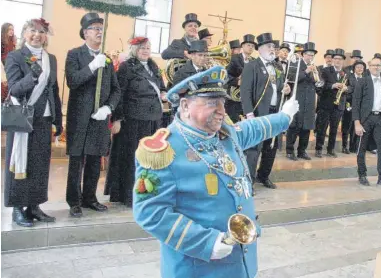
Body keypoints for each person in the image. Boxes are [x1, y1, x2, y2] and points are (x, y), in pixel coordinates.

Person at [133, 65, 299, 278]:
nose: (222, 111)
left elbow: (250, 129)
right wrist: (205, 242)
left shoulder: (223, 134)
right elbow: (150, 212)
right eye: (212, 103)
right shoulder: (163, 151)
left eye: (222, 102)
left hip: (240, 262)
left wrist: (284, 117)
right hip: (199, 265)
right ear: (185, 106)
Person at [4, 18, 63, 226]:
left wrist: (58, 120)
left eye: (41, 31)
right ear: (24, 33)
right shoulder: (15, 56)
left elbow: (54, 90)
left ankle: (35, 206)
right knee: (20, 163)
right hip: (23, 118)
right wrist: (33, 76)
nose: (37, 35)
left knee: (40, 165)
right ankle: (18, 209)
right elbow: (14, 89)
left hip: (44, 118)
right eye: (32, 30)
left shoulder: (51, 59)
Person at [65, 12, 121, 218]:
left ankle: (89, 197)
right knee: (77, 160)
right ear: (85, 32)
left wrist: (109, 108)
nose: (99, 32)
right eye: (95, 28)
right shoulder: (74, 54)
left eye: (101, 28)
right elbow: (73, 80)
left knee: (95, 160)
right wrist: (91, 66)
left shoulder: (106, 59)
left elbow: (116, 89)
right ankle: (74, 200)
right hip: (79, 118)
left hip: (100, 117)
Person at [105, 37, 166, 207]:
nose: (146, 51)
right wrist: (117, 118)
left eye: (148, 48)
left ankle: (148, 192)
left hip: (153, 120)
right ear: (134, 50)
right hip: (133, 121)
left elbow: (161, 86)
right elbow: (119, 94)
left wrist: (163, 93)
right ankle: (129, 195)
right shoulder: (126, 67)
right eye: (142, 48)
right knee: (133, 158)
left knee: (150, 159)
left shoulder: (153, 66)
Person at [241, 33, 291, 189]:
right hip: (258, 113)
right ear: (260, 49)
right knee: (254, 148)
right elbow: (245, 91)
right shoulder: (251, 66)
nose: (272, 50)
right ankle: (248, 181)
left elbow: (280, 87)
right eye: (269, 47)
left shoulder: (277, 66)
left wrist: (286, 89)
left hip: (275, 112)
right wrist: (249, 113)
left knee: (271, 146)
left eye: (273, 47)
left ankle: (264, 176)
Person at [353, 56, 381, 188]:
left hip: (380, 119)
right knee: (361, 149)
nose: (376, 67)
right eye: (373, 65)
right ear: (369, 66)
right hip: (365, 119)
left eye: (378, 65)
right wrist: (357, 123)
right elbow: (355, 103)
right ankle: (362, 175)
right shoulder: (362, 81)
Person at [286, 42, 317, 160]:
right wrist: (306, 71)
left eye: (312, 55)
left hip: (309, 102)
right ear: (303, 55)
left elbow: (318, 84)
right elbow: (292, 79)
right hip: (297, 100)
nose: (310, 57)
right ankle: (289, 150)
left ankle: (302, 151)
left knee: (306, 128)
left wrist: (318, 80)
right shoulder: (295, 64)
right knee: (294, 127)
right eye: (308, 55)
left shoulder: (315, 67)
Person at [314, 48, 347, 158]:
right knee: (322, 128)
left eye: (340, 59)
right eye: (336, 58)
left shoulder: (346, 73)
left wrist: (346, 88)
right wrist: (332, 85)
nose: (338, 61)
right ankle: (318, 148)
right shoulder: (325, 71)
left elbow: (352, 87)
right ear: (332, 60)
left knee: (334, 128)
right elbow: (321, 84)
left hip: (339, 105)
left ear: (343, 61)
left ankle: (330, 149)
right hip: (326, 104)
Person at [225, 34, 257, 123]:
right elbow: (226, 75)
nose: (251, 48)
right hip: (234, 99)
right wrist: (237, 81)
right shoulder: (234, 58)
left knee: (245, 124)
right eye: (248, 45)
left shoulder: (254, 61)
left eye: (253, 46)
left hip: (247, 98)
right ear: (242, 46)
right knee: (233, 123)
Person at [342, 59, 366, 153]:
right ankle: (344, 146)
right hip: (349, 104)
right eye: (358, 67)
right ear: (354, 68)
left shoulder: (365, 79)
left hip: (360, 107)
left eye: (361, 67)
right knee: (347, 126)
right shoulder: (349, 77)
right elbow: (345, 90)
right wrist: (349, 90)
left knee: (356, 127)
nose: (360, 69)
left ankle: (353, 146)